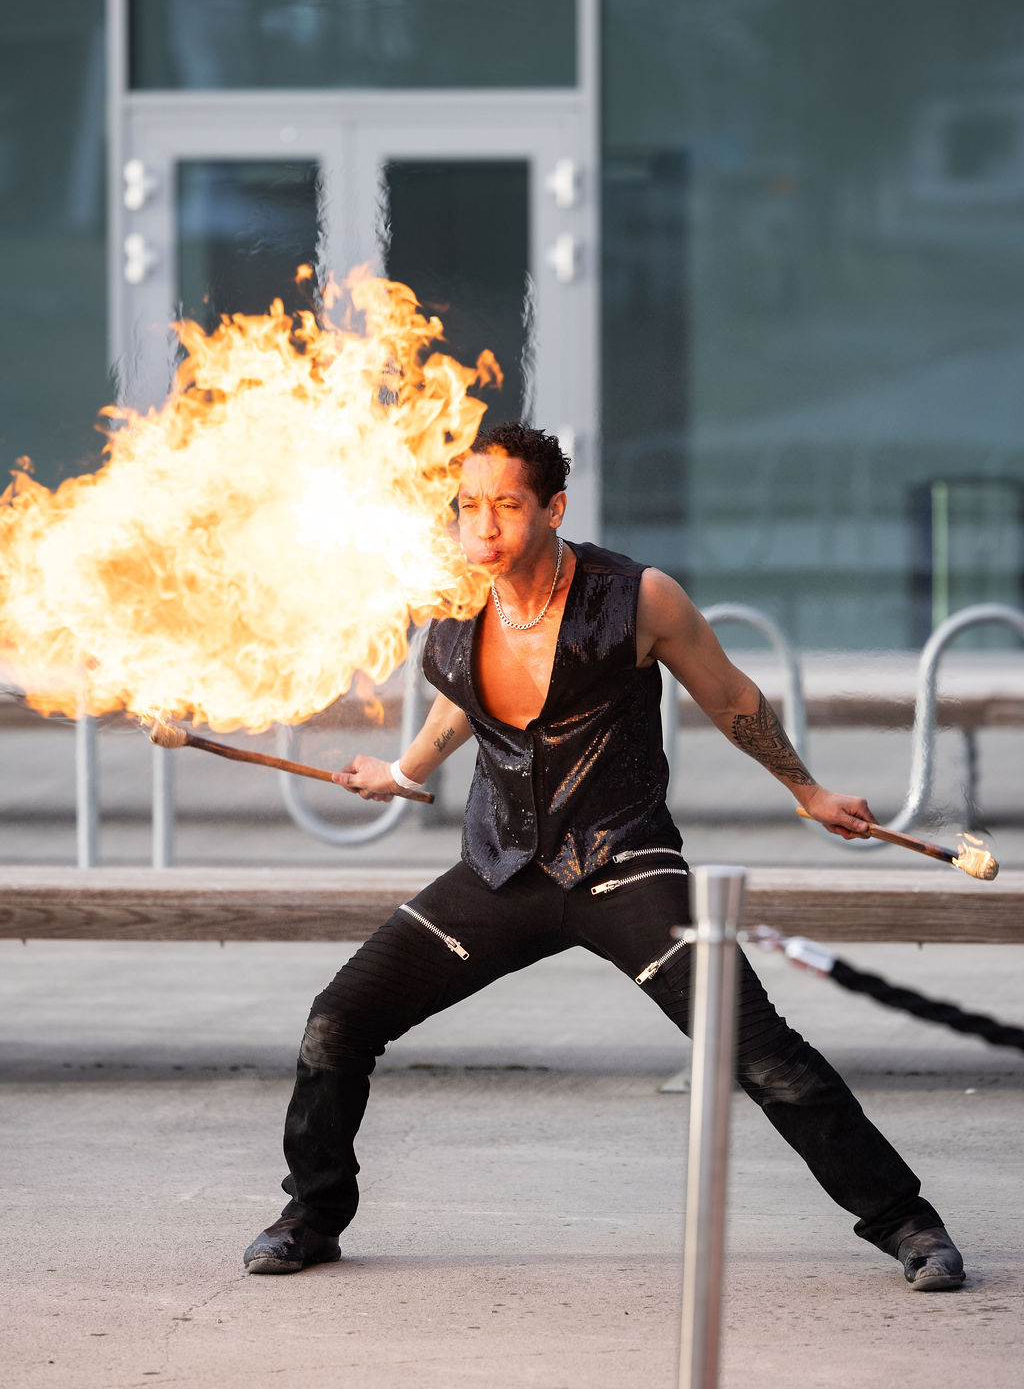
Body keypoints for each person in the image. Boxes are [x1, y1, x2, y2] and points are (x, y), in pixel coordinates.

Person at [244, 422, 964, 1292]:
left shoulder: (637, 598)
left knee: (758, 1048)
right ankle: (312, 1215)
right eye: (468, 505)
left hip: (623, 860)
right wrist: (404, 771)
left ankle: (907, 1221)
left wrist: (806, 789)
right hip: (502, 868)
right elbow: (463, 698)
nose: (483, 525)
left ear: (553, 508)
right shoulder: (455, 594)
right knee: (338, 1018)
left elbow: (731, 695)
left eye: (507, 505)